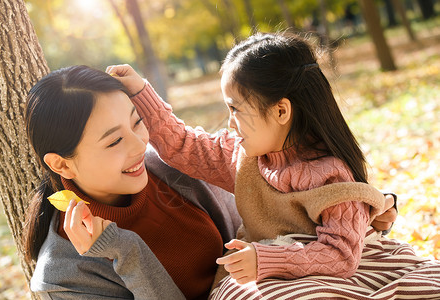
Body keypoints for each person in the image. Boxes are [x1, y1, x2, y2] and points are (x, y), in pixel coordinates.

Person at [107, 32, 440, 299]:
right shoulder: (241, 157)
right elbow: (183, 145)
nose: (229, 123)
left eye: (236, 109)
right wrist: (140, 91)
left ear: (281, 112)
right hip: (268, 271)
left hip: (337, 266)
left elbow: (340, 256)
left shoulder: (331, 175)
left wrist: (265, 259)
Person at [22, 65, 397, 299]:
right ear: (62, 165)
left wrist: (354, 209)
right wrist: (125, 251)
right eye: (114, 140)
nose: (140, 145)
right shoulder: (64, 279)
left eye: (138, 123)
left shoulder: (175, 171)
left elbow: (274, 207)